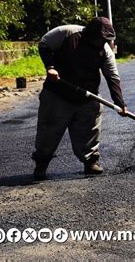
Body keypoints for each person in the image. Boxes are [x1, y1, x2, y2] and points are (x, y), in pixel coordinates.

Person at [32, 17, 127, 180]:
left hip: (88, 95)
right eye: (101, 38)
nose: (104, 42)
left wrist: (120, 102)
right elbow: (44, 44)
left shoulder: (105, 50)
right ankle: (41, 163)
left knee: (90, 130)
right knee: (48, 132)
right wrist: (50, 67)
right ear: (90, 34)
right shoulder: (67, 33)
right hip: (58, 93)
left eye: (107, 39)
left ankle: (91, 162)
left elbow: (112, 76)